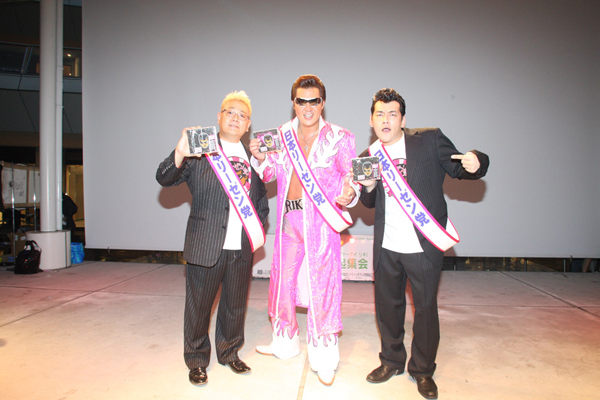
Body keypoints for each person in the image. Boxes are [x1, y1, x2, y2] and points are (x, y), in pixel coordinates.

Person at [357, 88, 489, 399]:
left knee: (426, 310)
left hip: (423, 245)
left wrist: (477, 161)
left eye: (392, 114)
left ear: (403, 119)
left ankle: (423, 370)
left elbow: (460, 167)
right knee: (388, 308)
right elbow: (368, 202)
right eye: (380, 114)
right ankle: (391, 361)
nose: (386, 120)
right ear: (371, 120)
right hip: (387, 247)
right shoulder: (367, 156)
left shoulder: (429, 139)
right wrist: (368, 187)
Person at [250, 74, 359, 385]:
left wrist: (350, 191)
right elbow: (270, 174)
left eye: (314, 101)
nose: (308, 107)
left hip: (321, 223)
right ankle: (284, 343)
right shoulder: (280, 135)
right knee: (282, 282)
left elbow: (350, 174)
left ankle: (325, 357)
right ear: (293, 103)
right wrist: (261, 157)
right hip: (289, 219)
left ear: (322, 103)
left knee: (323, 286)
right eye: (302, 101)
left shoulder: (341, 137)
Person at [156, 91, 269, 386]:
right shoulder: (201, 149)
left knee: (235, 306)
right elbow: (164, 177)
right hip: (206, 244)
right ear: (219, 117)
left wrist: (254, 233)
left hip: (240, 248)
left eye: (242, 115)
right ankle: (196, 360)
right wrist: (180, 151)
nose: (235, 118)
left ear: (248, 125)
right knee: (199, 307)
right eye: (230, 112)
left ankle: (229, 352)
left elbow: (261, 204)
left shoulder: (254, 159)